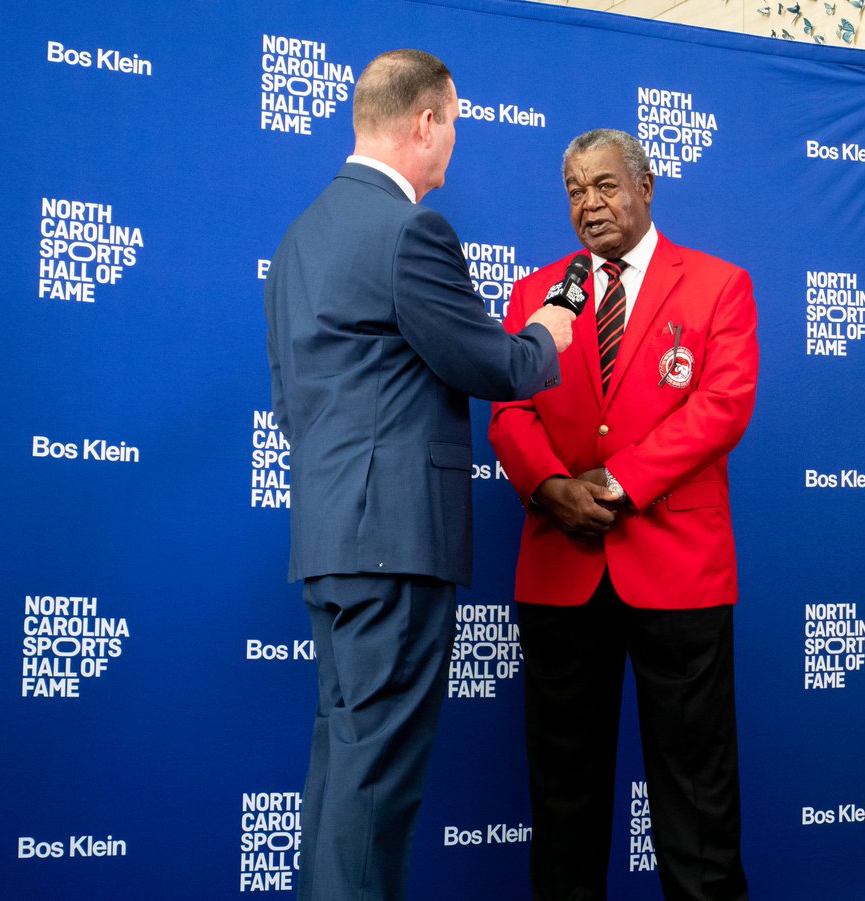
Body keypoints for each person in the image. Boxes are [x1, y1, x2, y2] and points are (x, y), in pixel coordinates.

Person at [264, 49, 574, 901]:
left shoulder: (300, 238)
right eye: (454, 129)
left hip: (330, 540)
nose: (453, 151)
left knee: (345, 765)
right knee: (377, 785)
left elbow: (294, 404)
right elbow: (493, 364)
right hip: (394, 545)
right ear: (425, 122)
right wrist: (548, 330)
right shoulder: (409, 231)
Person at [489, 128, 758, 901]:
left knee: (697, 794)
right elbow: (509, 409)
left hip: (679, 570)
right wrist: (549, 487)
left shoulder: (717, 284)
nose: (589, 204)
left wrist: (616, 482)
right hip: (560, 567)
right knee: (563, 792)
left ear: (646, 186)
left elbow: (723, 405)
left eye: (605, 185)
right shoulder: (535, 291)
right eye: (575, 190)